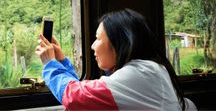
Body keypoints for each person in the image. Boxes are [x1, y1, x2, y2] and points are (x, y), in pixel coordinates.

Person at [35, 8, 197, 110]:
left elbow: (75, 97)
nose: (92, 46)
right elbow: (84, 95)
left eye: (98, 38)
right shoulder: (149, 69)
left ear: (119, 43)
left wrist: (51, 64)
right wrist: (62, 61)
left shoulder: (140, 73)